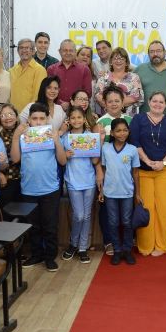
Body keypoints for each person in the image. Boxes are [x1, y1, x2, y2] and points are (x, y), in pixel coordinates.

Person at [11, 103, 67, 272]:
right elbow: (15, 159)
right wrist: (15, 137)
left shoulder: (53, 135)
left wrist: (57, 141)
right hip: (28, 189)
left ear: (47, 119)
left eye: (42, 118)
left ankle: (50, 257)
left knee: (50, 225)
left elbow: (63, 161)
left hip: (50, 188)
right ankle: (36, 255)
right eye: (34, 119)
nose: (38, 122)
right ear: (29, 120)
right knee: (33, 226)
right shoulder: (22, 136)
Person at [129, 92, 166, 256]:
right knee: (146, 208)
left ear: (165, 104)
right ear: (149, 102)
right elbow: (134, 142)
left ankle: (161, 245)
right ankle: (145, 246)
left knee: (165, 209)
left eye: (161, 101)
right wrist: (147, 160)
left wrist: (163, 163)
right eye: (154, 101)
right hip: (144, 170)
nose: (157, 104)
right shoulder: (138, 120)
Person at [61, 107, 103, 264]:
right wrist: (65, 154)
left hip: (89, 181)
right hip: (72, 181)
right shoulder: (66, 137)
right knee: (78, 215)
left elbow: (94, 161)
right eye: (73, 118)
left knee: (86, 215)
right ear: (69, 120)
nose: (76, 120)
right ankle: (73, 243)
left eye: (79, 117)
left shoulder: (89, 136)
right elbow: (61, 160)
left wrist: (95, 148)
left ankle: (82, 247)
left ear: (84, 119)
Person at [99, 118, 141, 266]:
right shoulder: (105, 149)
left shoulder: (132, 149)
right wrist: (101, 190)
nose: (122, 133)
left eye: (125, 130)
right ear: (112, 132)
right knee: (113, 222)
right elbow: (103, 170)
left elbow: (135, 173)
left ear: (128, 132)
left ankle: (127, 250)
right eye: (118, 130)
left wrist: (137, 193)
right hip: (110, 193)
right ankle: (117, 250)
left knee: (127, 222)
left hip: (127, 193)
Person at [94, 47, 143, 116]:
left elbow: (137, 97)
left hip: (128, 118)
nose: (118, 61)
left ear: (126, 62)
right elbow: (98, 96)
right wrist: (116, 106)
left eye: (121, 59)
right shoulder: (103, 77)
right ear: (111, 62)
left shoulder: (134, 77)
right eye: (115, 58)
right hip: (107, 118)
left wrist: (114, 106)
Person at [47, 40, 92, 110]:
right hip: (55, 109)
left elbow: (88, 92)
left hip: (78, 110)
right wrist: (60, 103)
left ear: (75, 52)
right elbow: (48, 90)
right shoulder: (51, 69)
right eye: (65, 50)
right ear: (59, 51)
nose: (68, 53)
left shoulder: (85, 70)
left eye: (71, 50)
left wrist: (73, 103)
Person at [9, 38, 47, 113]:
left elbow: (37, 96)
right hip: (13, 115)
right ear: (18, 51)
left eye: (27, 48)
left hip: (30, 114)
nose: (24, 50)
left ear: (33, 51)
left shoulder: (39, 70)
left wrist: (28, 114)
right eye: (21, 48)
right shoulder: (11, 70)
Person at [0, 104, 22, 209]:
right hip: (5, 181)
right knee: (7, 215)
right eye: (3, 115)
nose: (7, 117)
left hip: (24, 180)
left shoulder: (26, 132)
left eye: (10, 114)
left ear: (16, 116)